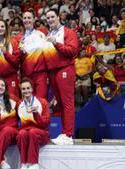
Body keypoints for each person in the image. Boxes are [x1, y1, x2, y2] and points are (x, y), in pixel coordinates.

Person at [44, 9, 79, 145]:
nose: (50, 19)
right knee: (61, 104)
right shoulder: (49, 34)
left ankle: (68, 135)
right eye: (48, 18)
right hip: (53, 72)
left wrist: (56, 43)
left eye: (52, 17)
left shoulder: (68, 32)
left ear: (58, 17)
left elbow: (72, 51)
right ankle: (64, 133)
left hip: (65, 69)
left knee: (67, 103)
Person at [17, 78, 50, 169]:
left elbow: (46, 123)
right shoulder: (19, 103)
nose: (26, 90)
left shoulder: (42, 102)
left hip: (41, 133)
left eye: (28, 88)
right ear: (21, 90)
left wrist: (36, 114)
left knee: (32, 132)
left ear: (32, 89)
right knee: (21, 134)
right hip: (26, 132)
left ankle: (33, 163)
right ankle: (23, 163)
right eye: (23, 89)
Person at [18, 11, 48, 99]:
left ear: (34, 19)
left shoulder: (42, 33)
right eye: (25, 18)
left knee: (40, 102)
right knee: (28, 103)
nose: (27, 20)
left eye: (29, 18)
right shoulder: (20, 38)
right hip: (26, 75)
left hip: (40, 73)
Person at [0, 20, 20, 96]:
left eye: (2, 26)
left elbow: (16, 62)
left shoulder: (13, 42)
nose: (0, 28)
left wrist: (6, 53)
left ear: (6, 28)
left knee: (12, 101)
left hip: (10, 77)